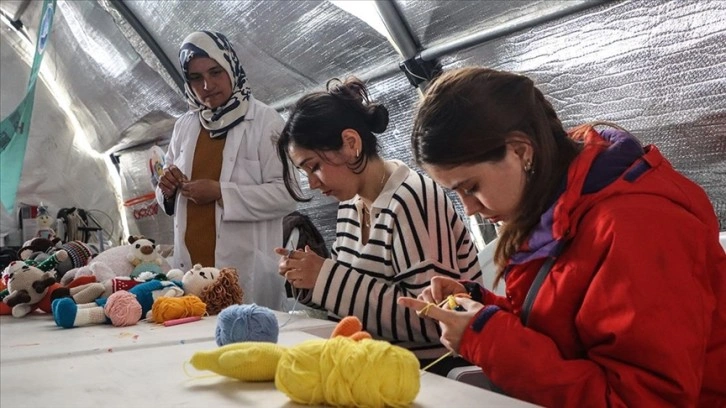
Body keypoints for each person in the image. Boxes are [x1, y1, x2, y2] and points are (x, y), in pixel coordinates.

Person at [397, 67, 726, 407]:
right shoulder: (558, 208)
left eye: (472, 188)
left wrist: (488, 340)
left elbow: (643, 400)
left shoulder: (636, 228)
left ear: (521, 151)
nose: (469, 209)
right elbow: (565, 328)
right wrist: (478, 307)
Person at [274, 77, 483, 374]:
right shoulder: (351, 202)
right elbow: (356, 298)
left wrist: (325, 279)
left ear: (351, 144)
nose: (312, 182)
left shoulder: (411, 199)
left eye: (314, 166)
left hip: (435, 371)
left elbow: (433, 319)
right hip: (380, 362)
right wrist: (308, 277)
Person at [156, 31, 296, 309]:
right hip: (191, 277)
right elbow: (166, 199)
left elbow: (287, 194)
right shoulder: (185, 126)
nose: (207, 85)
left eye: (215, 72)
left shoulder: (265, 121)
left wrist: (222, 193)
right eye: (196, 78)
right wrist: (166, 189)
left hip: (245, 273)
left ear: (231, 67)